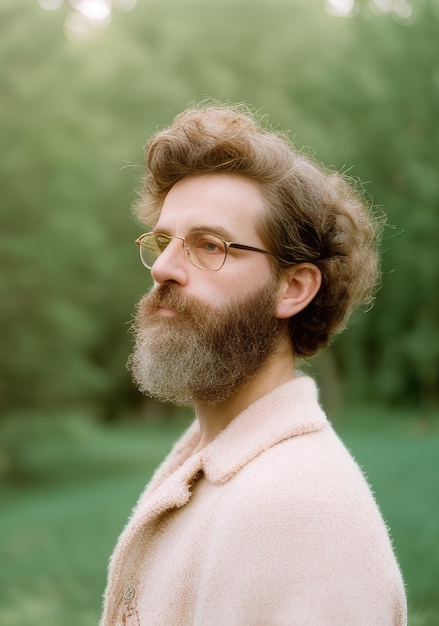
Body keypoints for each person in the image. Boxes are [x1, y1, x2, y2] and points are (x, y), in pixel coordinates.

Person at [100, 104, 407, 625]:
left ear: (292, 288)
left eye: (208, 245)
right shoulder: (217, 472)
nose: (166, 268)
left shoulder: (296, 509)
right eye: (162, 242)